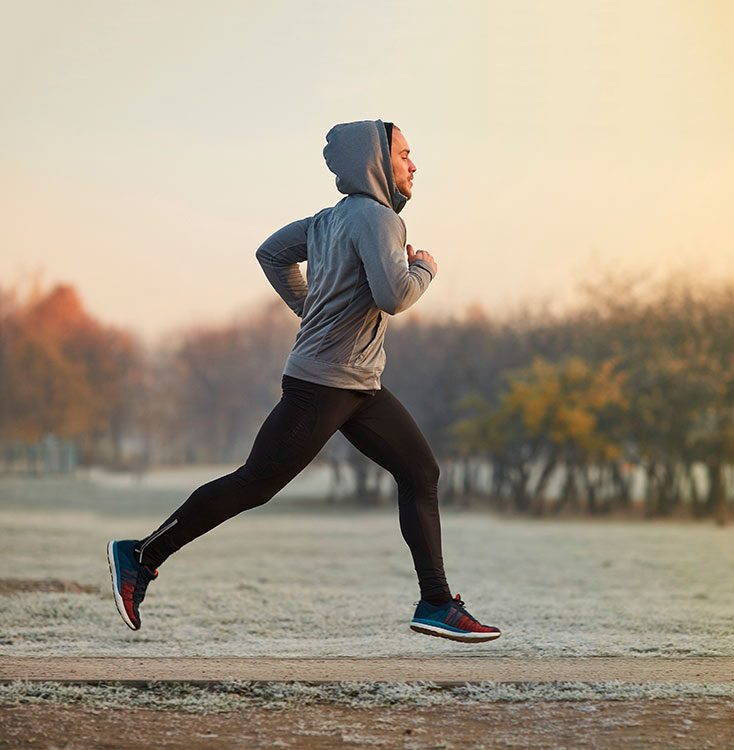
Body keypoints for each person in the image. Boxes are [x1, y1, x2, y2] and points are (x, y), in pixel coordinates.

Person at [107, 119, 500, 644]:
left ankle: (436, 602)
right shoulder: (380, 220)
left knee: (420, 472)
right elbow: (394, 296)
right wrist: (425, 268)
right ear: (377, 161)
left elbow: (271, 253)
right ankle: (140, 556)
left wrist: (308, 307)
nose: (413, 164)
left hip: (359, 386)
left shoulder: (330, 220)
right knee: (255, 483)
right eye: (405, 153)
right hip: (324, 385)